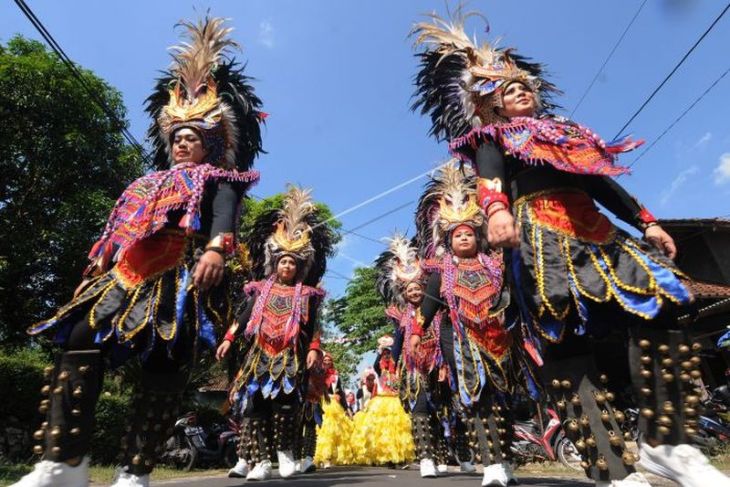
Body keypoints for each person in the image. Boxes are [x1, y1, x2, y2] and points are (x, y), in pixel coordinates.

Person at [411, 10, 730, 487]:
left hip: (599, 231)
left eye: (524, 85)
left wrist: (646, 222)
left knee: (662, 304)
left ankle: (667, 442)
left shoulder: (569, 136)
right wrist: (496, 211)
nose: (520, 90)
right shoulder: (492, 138)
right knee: (565, 341)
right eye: (507, 89)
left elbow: (601, 184)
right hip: (539, 238)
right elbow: (491, 177)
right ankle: (610, 465)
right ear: (492, 105)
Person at [15, 16, 263, 487]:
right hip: (125, 274)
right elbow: (116, 234)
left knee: (163, 365)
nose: (183, 142)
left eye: (193, 137)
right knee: (77, 340)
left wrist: (215, 249)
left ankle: (135, 471)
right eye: (177, 137)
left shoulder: (218, 179)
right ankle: (64, 462)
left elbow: (224, 216)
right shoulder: (142, 184)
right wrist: (96, 270)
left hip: (180, 276)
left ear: (210, 143)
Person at [409, 163, 536, 487]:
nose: (464, 237)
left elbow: (515, 294)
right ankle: (490, 465)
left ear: (477, 236)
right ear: (448, 240)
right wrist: (415, 333)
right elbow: (427, 308)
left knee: (503, 400)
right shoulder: (440, 272)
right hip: (462, 341)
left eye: (468, 233)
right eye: (458, 235)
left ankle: (506, 462)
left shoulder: (495, 264)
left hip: (502, 340)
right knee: (478, 400)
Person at [216, 185, 335, 481]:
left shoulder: (307, 294)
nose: (287, 266)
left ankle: (285, 454)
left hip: (289, 355)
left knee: (284, 407)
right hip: (259, 355)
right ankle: (258, 462)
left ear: (299, 267)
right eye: (283, 261)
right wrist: (229, 339)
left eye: (292, 262)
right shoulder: (259, 290)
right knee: (255, 407)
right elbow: (242, 318)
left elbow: (312, 326)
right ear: (275, 263)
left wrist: (313, 349)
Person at [375, 234, 452, 477]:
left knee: (443, 410)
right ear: (404, 294)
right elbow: (397, 345)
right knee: (419, 409)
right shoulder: (401, 317)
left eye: (419, 288)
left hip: (438, 364)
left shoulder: (439, 312)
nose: (415, 292)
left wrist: (447, 364)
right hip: (413, 368)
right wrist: (391, 368)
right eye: (410, 289)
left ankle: (444, 455)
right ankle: (426, 457)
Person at [351, 337, 415, 466]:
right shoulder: (379, 370)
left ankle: (399, 457)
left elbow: (397, 357)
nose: (387, 356)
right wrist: (380, 350)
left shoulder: (396, 369)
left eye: (388, 354)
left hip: (394, 402)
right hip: (381, 403)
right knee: (383, 431)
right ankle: (386, 458)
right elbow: (375, 364)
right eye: (384, 354)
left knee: (397, 430)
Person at [313, 352, 354, 467]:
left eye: (329, 360)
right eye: (325, 360)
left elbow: (340, 392)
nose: (326, 362)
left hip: (335, 407)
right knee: (324, 430)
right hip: (322, 404)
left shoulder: (336, 376)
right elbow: (317, 390)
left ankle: (332, 457)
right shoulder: (318, 374)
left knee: (336, 433)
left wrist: (347, 409)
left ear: (332, 362)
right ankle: (323, 458)